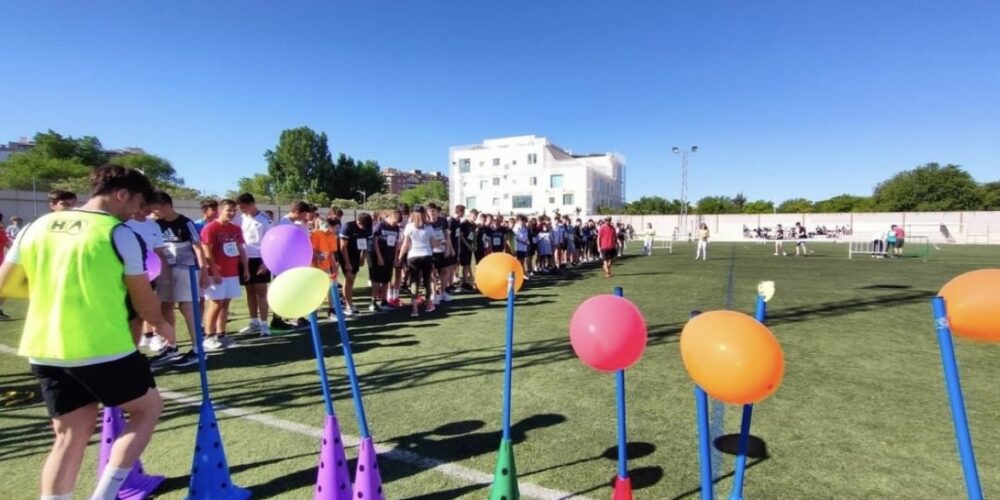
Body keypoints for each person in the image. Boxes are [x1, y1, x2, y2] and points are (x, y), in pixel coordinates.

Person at [1, 165, 168, 500]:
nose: (137, 212)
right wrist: (162, 326)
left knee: (68, 436)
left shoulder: (36, 226)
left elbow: (7, 284)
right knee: (147, 410)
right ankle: (105, 496)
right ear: (121, 193)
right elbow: (142, 298)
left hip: (44, 347)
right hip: (102, 346)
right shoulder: (117, 233)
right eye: (137, 203)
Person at [150, 191, 206, 368]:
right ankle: (171, 346)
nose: (153, 212)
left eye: (156, 208)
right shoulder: (155, 225)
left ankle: (198, 350)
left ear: (166, 205)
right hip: (164, 271)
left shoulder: (185, 222)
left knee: (187, 307)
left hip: (185, 270)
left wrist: (203, 271)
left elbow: (198, 247)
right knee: (165, 305)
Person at [200, 199, 249, 351]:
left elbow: (240, 248)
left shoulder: (236, 229)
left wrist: (245, 268)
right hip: (217, 273)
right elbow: (206, 251)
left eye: (234, 211)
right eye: (229, 210)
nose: (232, 213)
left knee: (225, 304)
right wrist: (214, 271)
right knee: (215, 304)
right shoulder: (211, 228)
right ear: (221, 210)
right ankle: (209, 336)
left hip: (232, 272)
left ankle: (221, 334)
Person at [125, 205, 169, 348]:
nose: (148, 209)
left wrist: (165, 275)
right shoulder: (123, 224)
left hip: (149, 274)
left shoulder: (153, 225)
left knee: (147, 309)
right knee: (128, 314)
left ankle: (151, 338)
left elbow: (160, 253)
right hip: (126, 275)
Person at [235, 193, 272, 336]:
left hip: (260, 259)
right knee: (249, 292)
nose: (242, 211)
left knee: (261, 292)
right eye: (241, 208)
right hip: (245, 259)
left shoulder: (265, 220)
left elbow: (270, 241)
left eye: (244, 207)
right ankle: (254, 322)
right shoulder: (240, 219)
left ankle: (264, 324)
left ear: (251, 204)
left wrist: (265, 262)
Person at [397, 207, 441, 317]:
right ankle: (428, 305)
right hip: (426, 255)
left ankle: (415, 309)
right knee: (427, 281)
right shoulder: (429, 227)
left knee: (414, 281)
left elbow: (405, 244)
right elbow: (434, 244)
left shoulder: (409, 227)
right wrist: (441, 241)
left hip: (413, 256)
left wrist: (399, 257)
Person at [339, 212, 373, 316]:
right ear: (357, 221)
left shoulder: (367, 228)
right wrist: (347, 263)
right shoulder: (348, 227)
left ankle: (348, 302)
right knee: (349, 278)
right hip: (345, 255)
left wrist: (362, 258)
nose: (364, 229)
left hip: (356, 255)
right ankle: (348, 306)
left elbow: (366, 244)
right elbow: (343, 247)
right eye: (362, 226)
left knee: (351, 280)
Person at [371, 210, 401, 310]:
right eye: (395, 222)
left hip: (390, 256)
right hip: (378, 257)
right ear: (391, 217)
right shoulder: (380, 225)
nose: (395, 224)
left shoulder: (396, 228)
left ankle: (384, 301)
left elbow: (396, 243)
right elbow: (375, 242)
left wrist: (396, 257)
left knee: (386, 279)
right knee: (376, 280)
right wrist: (379, 257)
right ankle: (373, 301)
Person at [310, 217, 339, 317]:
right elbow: (311, 250)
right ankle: (313, 312)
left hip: (325, 267)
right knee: (314, 288)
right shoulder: (316, 234)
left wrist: (334, 270)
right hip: (313, 267)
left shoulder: (332, 236)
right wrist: (318, 256)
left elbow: (331, 255)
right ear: (330, 226)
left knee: (330, 287)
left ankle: (331, 310)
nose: (336, 230)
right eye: (336, 228)